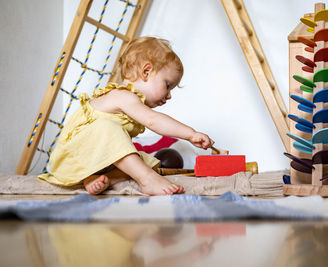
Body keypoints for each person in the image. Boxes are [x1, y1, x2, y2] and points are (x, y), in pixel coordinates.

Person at [38, 37, 214, 195]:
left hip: (90, 162)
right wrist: (190, 133)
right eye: (167, 85)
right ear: (146, 72)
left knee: (143, 159)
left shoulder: (129, 100)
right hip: (72, 158)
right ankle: (147, 180)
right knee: (109, 129)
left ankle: (98, 179)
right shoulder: (123, 96)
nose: (169, 95)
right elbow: (153, 120)